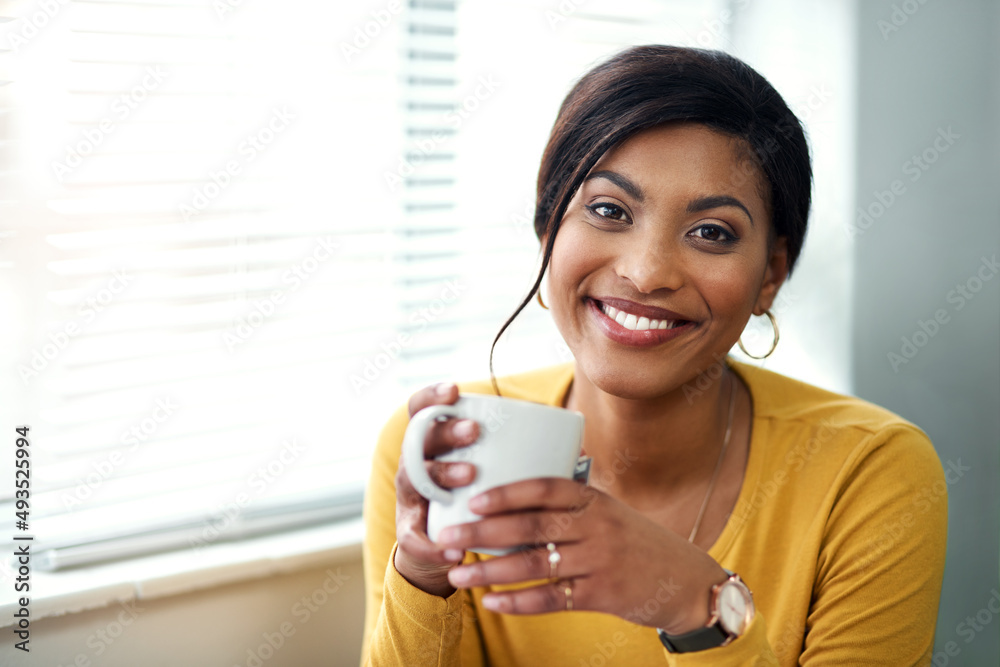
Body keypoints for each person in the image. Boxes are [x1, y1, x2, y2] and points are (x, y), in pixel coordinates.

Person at [361, 45, 947, 665]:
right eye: (609, 210)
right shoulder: (440, 450)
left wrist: (701, 607)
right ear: (547, 232)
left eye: (712, 232)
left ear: (770, 276)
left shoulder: (871, 473)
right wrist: (422, 576)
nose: (645, 274)